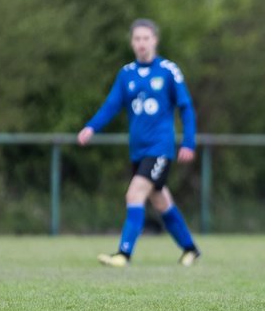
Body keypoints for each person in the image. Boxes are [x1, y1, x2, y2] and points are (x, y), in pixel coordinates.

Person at [77, 19, 200, 266]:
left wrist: (188, 142)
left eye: (146, 38)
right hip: (138, 150)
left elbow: (185, 107)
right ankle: (190, 248)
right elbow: (111, 105)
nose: (141, 43)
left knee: (134, 194)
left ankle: (123, 254)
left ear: (155, 40)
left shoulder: (168, 70)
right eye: (137, 39)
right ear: (132, 42)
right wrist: (91, 127)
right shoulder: (126, 74)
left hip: (160, 148)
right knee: (160, 200)